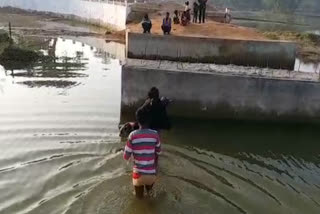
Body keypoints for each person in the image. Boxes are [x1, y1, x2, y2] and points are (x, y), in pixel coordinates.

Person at [123, 108, 161, 198]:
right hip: (151, 174)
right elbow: (158, 151)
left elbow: (125, 156)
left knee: (139, 199)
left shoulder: (132, 135)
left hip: (138, 175)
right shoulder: (155, 134)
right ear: (150, 120)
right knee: (150, 196)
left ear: (137, 120)